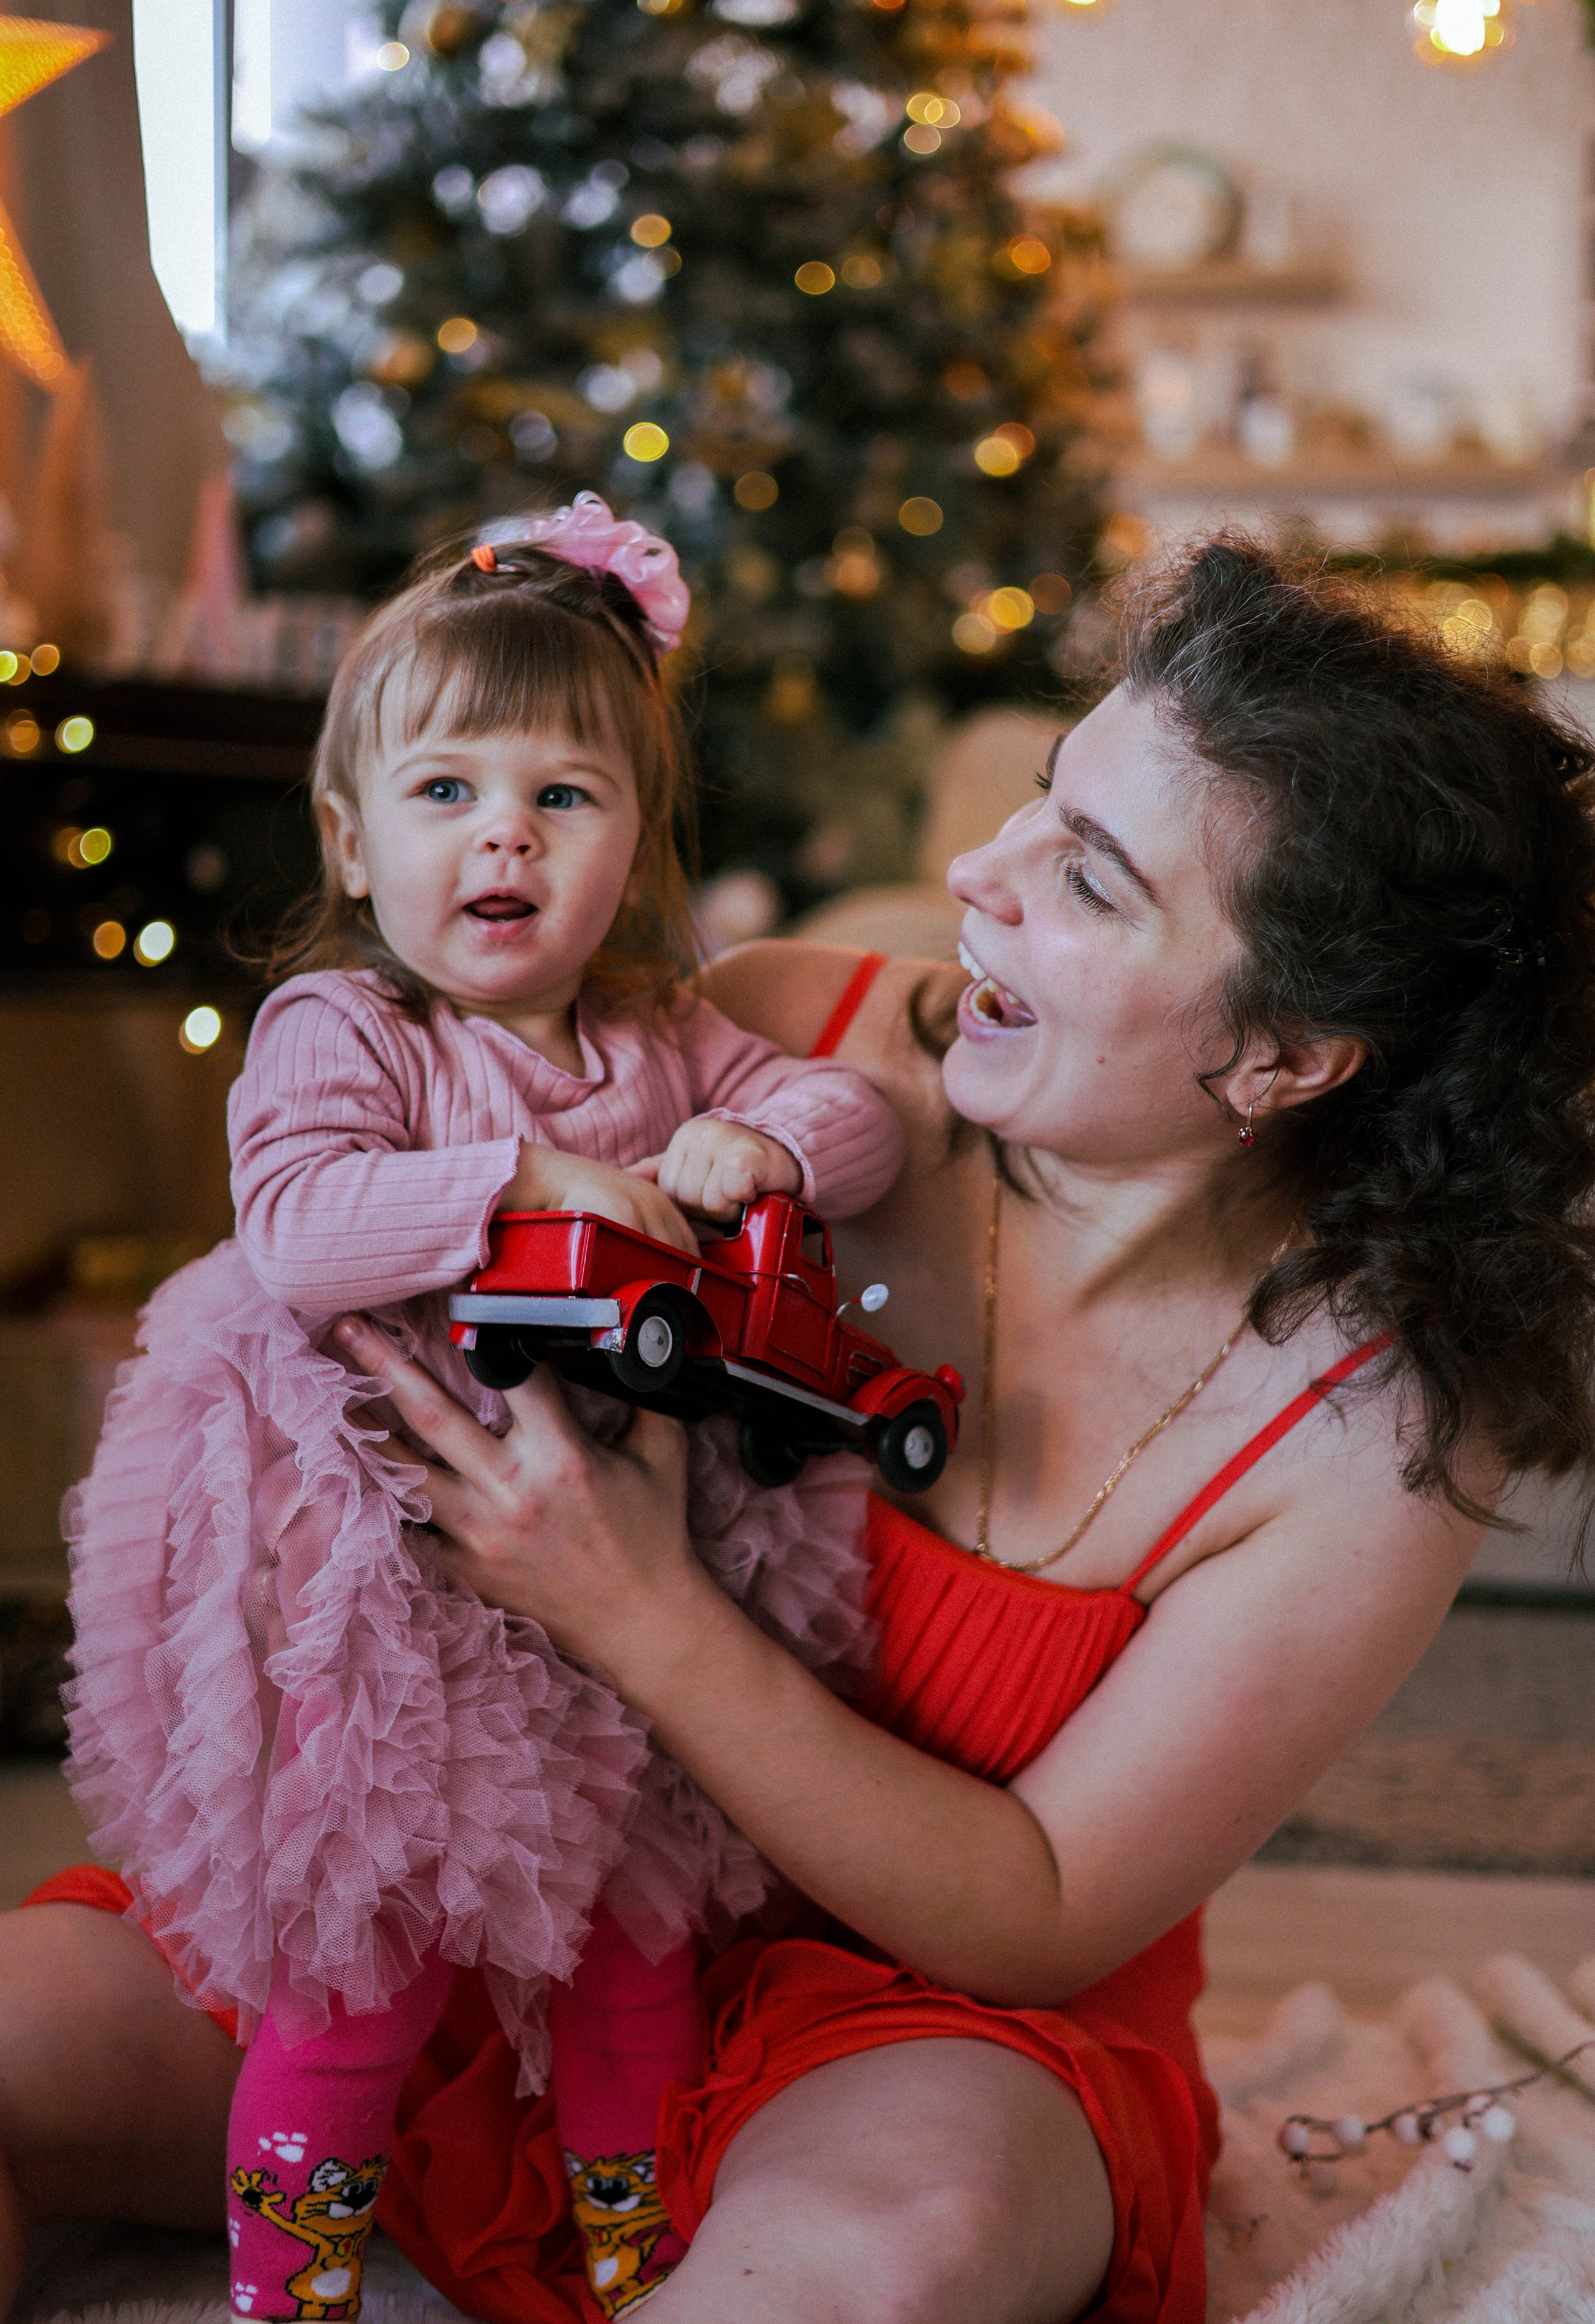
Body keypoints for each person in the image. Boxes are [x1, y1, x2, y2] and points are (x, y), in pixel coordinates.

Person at [7, 537, 1595, 2324]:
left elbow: (1041, 1907)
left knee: (873, 2263)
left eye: (1087, 877)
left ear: (1287, 1055)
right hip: (511, 1881)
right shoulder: (767, 1035)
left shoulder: (1365, 1435)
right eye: (1037, 809)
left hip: (928, 2032)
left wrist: (635, 1609)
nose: (974, 877)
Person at [44, 494, 904, 2324]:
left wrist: (768, 1140)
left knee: (632, 1946)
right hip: (395, 1613)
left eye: (562, 798)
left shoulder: (668, 1041)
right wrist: (531, 1177)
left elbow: (866, 1120)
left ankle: (630, 2262)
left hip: (624, 1610)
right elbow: (294, 1227)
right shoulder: (349, 1037)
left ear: (631, 848)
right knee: (362, 1974)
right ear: (353, 846)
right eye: (445, 793)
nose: (503, 833)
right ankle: (296, 2284)